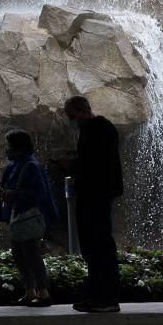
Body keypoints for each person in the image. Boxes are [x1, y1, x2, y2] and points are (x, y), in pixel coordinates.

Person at [65, 95, 123, 313]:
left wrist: (74, 164)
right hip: (92, 195)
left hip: (96, 196)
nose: (72, 121)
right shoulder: (93, 129)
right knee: (91, 247)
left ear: (82, 112)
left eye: (72, 116)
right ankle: (97, 294)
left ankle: (107, 298)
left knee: (99, 246)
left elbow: (95, 164)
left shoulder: (99, 128)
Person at [0, 129, 55, 307]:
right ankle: (30, 291)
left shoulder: (31, 166)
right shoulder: (13, 166)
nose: (6, 150)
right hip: (18, 218)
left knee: (32, 255)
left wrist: (14, 195)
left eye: (9, 146)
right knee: (20, 255)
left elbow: (39, 193)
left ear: (18, 148)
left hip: (28, 218)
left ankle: (43, 293)